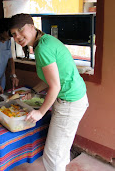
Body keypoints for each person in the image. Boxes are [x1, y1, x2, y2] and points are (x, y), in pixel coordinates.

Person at [9, 13, 89, 171]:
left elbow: (55, 86)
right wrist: (33, 91)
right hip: (75, 98)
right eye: (13, 34)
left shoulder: (43, 48)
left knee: (52, 157)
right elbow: (50, 78)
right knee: (60, 151)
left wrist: (40, 112)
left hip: (70, 102)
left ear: (32, 26)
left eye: (20, 30)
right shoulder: (44, 41)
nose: (17, 36)